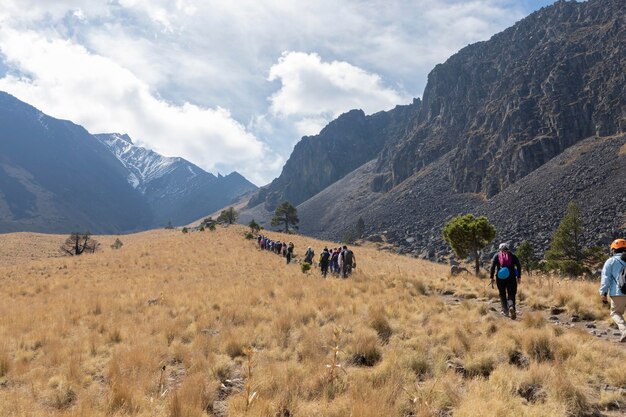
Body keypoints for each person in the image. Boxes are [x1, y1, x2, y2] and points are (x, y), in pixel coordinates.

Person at [600, 239, 626, 342]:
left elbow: (606, 279)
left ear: (613, 250)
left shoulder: (610, 261)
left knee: (615, 313)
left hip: (618, 293)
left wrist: (603, 292)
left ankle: (624, 330)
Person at [490, 242, 522, 319]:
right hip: (511, 277)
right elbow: (518, 265)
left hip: (500, 277)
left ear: (499, 249)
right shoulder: (512, 256)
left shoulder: (497, 255)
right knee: (511, 293)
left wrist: (491, 277)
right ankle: (511, 306)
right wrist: (519, 276)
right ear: (508, 248)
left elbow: (492, 266)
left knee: (502, 293)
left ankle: (505, 310)